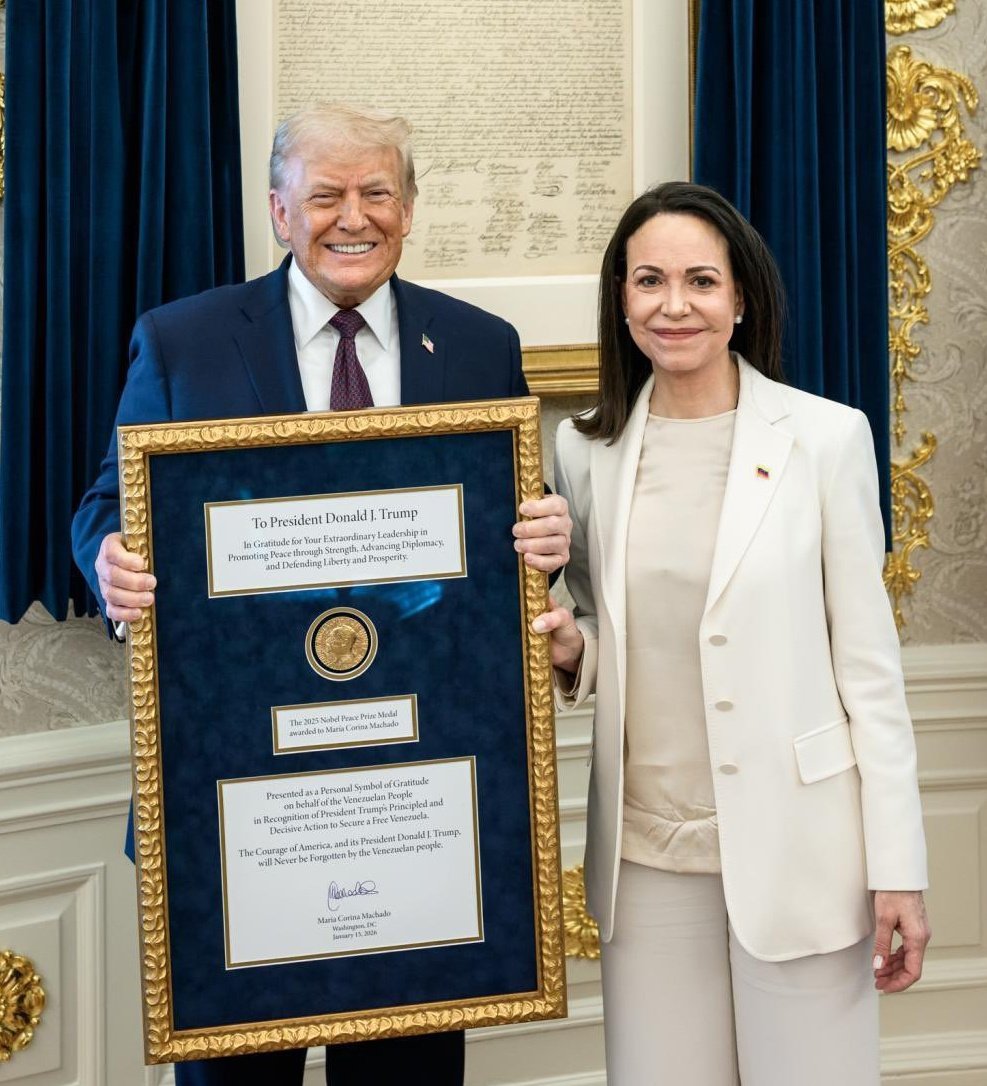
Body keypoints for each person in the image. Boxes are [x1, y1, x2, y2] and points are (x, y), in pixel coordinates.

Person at [72, 103, 571, 1086]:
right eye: (327, 194)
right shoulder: (184, 341)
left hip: (417, 782)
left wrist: (546, 543)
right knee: (235, 1073)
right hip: (236, 785)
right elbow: (106, 507)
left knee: (407, 1070)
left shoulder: (477, 345)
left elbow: (498, 540)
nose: (355, 217)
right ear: (278, 210)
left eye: (378, 193)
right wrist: (110, 560)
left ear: (409, 208)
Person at [533, 182, 930, 1085]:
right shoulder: (585, 452)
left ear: (740, 298)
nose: (674, 306)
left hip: (803, 851)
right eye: (648, 282)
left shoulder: (825, 440)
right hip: (645, 856)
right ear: (620, 300)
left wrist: (897, 869)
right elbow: (601, 621)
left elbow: (868, 671)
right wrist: (570, 650)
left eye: (700, 282)